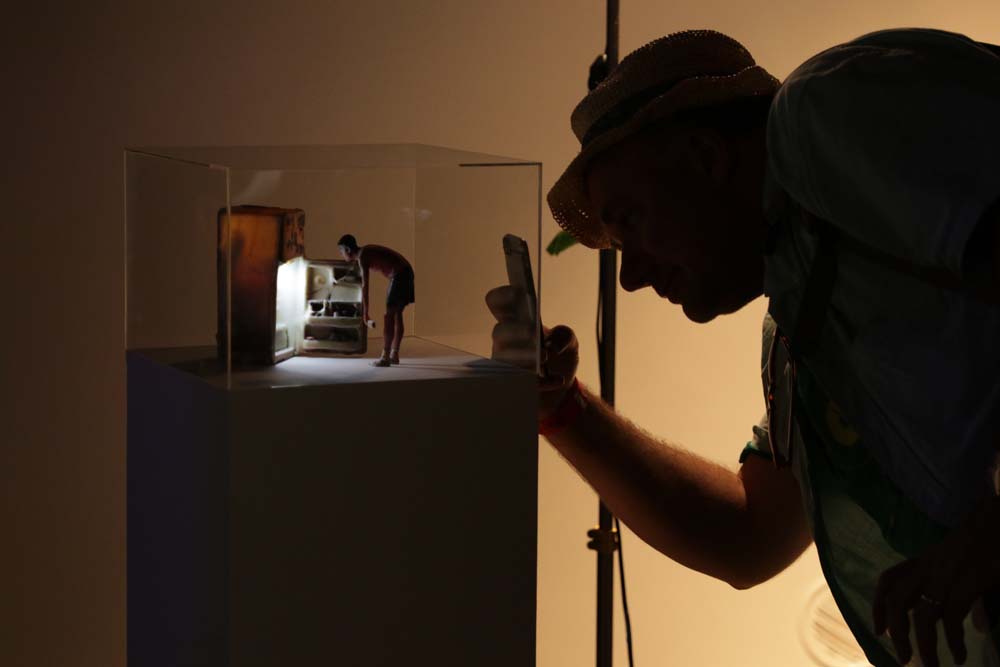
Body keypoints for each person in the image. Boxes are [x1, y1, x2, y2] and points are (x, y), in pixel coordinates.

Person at [488, 28, 1000, 667]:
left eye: (631, 222)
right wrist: (562, 410)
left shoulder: (820, 113)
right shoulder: (798, 338)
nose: (631, 275)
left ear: (706, 157)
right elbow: (749, 538)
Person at [337, 234, 415, 367]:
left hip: (399, 274)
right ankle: (394, 355)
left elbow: (365, 286)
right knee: (397, 314)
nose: (341, 255)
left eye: (341, 251)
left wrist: (365, 313)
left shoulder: (362, 256)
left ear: (348, 250)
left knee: (389, 315)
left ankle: (385, 356)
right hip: (406, 271)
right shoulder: (365, 252)